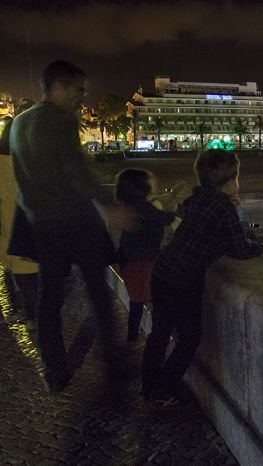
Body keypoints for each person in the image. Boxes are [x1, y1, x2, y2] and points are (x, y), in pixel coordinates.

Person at [9, 60, 135, 393]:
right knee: (98, 291)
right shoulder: (61, 121)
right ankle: (114, 363)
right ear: (58, 87)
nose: (82, 97)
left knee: (48, 301)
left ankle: (55, 371)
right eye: (78, 90)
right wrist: (107, 207)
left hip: (41, 225)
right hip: (75, 221)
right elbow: (75, 170)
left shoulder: (18, 124)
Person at [142, 149, 263, 405]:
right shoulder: (223, 207)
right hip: (184, 279)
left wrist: (231, 209)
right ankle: (163, 388)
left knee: (159, 332)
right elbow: (238, 248)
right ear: (231, 180)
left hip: (163, 270)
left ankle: (148, 386)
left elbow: (203, 229)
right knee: (190, 338)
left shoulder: (196, 198)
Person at [114, 168, 177, 343]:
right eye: (150, 182)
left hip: (130, 259)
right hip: (142, 261)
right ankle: (158, 336)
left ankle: (133, 337)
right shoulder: (141, 206)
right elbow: (162, 218)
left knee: (137, 302)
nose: (153, 185)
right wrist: (175, 211)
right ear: (141, 186)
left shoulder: (130, 205)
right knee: (153, 298)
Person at [0, 116, 40, 330]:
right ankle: (32, 315)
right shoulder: (34, 163)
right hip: (28, 226)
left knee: (11, 271)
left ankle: (18, 309)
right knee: (29, 275)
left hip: (6, 228)